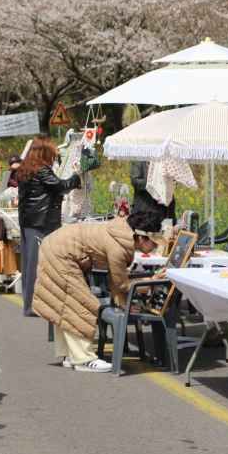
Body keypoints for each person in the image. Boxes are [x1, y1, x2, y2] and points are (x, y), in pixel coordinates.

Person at [32, 211, 164, 372]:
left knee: (64, 304)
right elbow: (121, 283)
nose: (156, 246)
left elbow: (115, 278)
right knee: (80, 304)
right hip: (61, 254)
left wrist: (122, 302)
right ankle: (83, 359)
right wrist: (151, 282)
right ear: (142, 237)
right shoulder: (119, 247)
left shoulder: (120, 232)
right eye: (154, 243)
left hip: (54, 246)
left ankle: (70, 355)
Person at [16, 136, 81, 317]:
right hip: (40, 222)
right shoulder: (42, 170)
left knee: (29, 264)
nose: (53, 157)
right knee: (36, 265)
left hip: (29, 221)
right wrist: (76, 178)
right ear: (44, 153)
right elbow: (60, 186)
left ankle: (29, 303)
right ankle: (31, 306)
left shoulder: (26, 168)